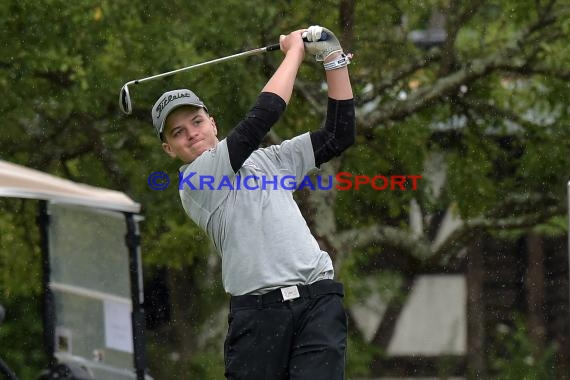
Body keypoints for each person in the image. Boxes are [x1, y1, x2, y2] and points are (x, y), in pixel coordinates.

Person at [151, 25, 355, 380]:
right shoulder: (196, 180)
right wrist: (295, 51)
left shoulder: (269, 161)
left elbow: (339, 134)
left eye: (196, 121)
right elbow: (264, 115)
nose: (192, 134)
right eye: (178, 132)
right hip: (258, 317)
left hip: (317, 303)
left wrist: (334, 59)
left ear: (212, 123)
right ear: (169, 149)